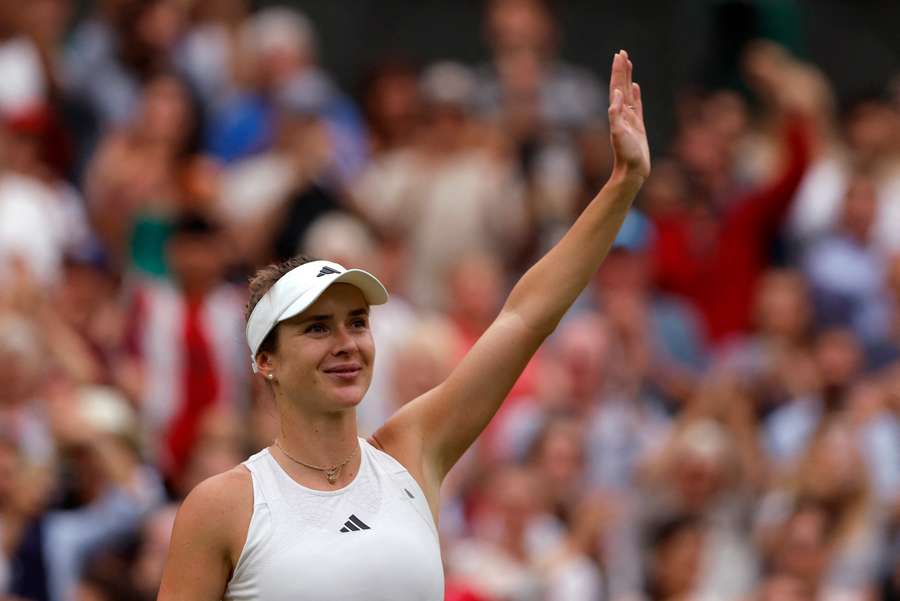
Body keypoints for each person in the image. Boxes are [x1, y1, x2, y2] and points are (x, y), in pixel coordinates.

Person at [156, 49, 649, 600]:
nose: (347, 344)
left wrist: (622, 186)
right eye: (317, 328)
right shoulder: (223, 505)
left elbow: (526, 315)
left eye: (357, 322)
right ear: (265, 361)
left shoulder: (411, 453)